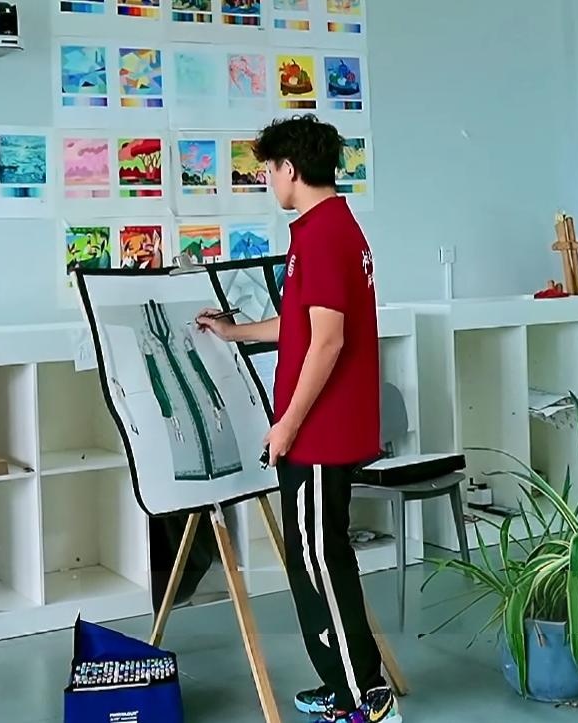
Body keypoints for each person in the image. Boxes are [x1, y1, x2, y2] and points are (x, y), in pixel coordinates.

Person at [195, 115, 399, 723]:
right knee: (317, 558)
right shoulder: (327, 227)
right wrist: (234, 332)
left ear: (290, 169)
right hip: (320, 430)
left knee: (320, 562)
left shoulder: (324, 234)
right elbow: (301, 324)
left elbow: (328, 341)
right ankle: (343, 685)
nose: (266, 180)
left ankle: (365, 695)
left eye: (268, 169)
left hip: (318, 434)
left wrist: (286, 424)